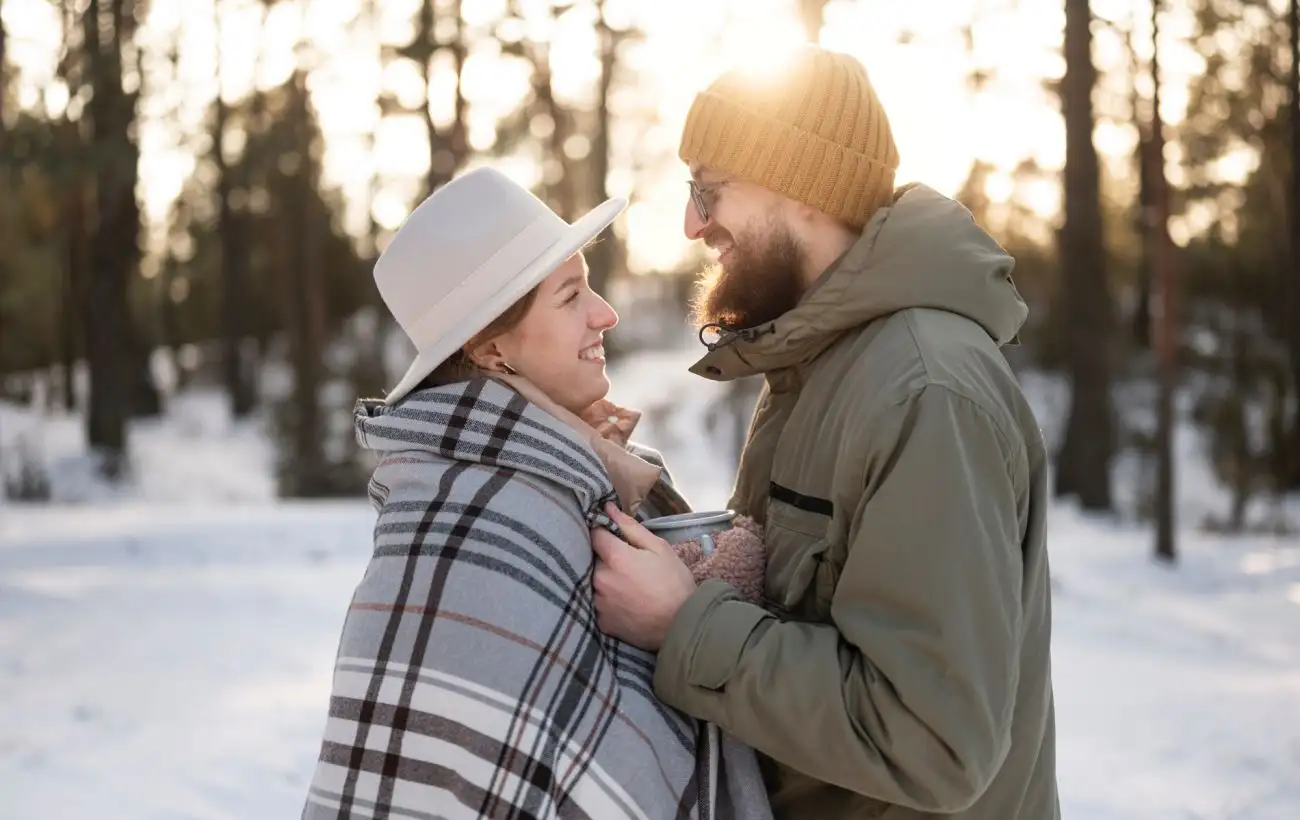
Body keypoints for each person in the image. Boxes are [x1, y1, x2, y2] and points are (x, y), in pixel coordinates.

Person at [590, 46, 1061, 820]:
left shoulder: (923, 392)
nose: (691, 224)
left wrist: (685, 625)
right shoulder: (822, 367)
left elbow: (932, 741)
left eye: (709, 189)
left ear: (802, 185)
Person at [300, 167, 771, 820]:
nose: (605, 314)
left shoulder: (582, 481)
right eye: (571, 295)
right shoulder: (474, 526)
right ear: (491, 350)